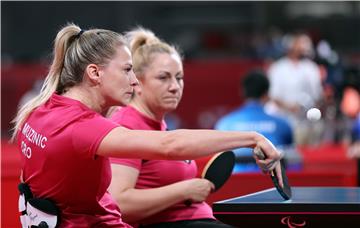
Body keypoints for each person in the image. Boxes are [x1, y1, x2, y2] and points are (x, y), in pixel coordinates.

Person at [12, 23, 283, 227]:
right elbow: (170, 145)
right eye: (127, 70)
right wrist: (252, 137)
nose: (134, 81)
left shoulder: (40, 110)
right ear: (94, 73)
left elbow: (28, 188)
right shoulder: (83, 127)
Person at [107, 28, 232, 228]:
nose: (175, 86)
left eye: (179, 77)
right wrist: (183, 190)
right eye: (163, 78)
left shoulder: (161, 126)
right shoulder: (126, 126)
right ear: (137, 83)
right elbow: (118, 203)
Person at [215, 70, 296, 173]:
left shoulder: (225, 124)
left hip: (235, 182)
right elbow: (292, 162)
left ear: (242, 92)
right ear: (267, 93)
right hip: (271, 181)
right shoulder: (283, 124)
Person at [265, 32, 323, 145]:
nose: (304, 49)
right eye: (300, 45)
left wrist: (308, 106)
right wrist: (290, 106)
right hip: (284, 119)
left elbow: (317, 95)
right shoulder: (278, 68)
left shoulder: (311, 68)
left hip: (307, 121)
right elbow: (272, 95)